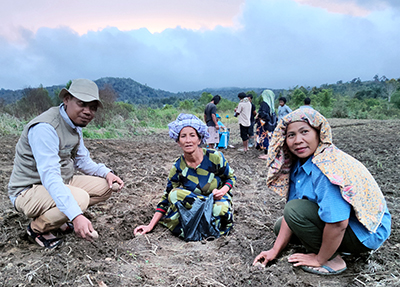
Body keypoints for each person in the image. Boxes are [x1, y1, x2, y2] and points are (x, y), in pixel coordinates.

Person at [253, 108, 391, 275]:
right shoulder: (299, 164)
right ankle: (331, 247)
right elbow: (292, 211)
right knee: (281, 224)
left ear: (319, 133)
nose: (298, 140)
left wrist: (319, 259)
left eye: (304, 132)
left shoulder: (326, 167)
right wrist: (274, 251)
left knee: (295, 211)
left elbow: (339, 223)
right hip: (343, 223)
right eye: (291, 135)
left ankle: (332, 259)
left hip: (365, 231)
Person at [8, 78, 124, 249]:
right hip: (28, 190)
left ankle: (57, 219)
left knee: (105, 187)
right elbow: (50, 177)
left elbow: (82, 160)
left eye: (92, 107)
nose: (87, 111)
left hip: (58, 182)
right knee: (80, 199)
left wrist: (106, 173)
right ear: (67, 99)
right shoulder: (45, 128)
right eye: (82, 104)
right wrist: (76, 216)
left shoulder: (74, 125)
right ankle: (37, 229)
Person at [134, 113, 236, 240]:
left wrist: (222, 191)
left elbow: (230, 178)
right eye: (183, 136)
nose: (188, 140)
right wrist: (149, 226)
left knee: (219, 210)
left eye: (192, 135)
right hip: (195, 203)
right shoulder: (178, 167)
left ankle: (198, 225)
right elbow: (166, 197)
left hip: (216, 200)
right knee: (174, 194)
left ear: (199, 139)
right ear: (178, 141)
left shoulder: (215, 157)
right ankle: (202, 225)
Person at [256, 89, 277, 159]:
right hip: (270, 124)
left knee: (265, 139)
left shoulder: (264, 104)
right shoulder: (271, 104)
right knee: (269, 138)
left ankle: (267, 154)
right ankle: (269, 153)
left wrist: (258, 115)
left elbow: (263, 114)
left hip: (264, 125)